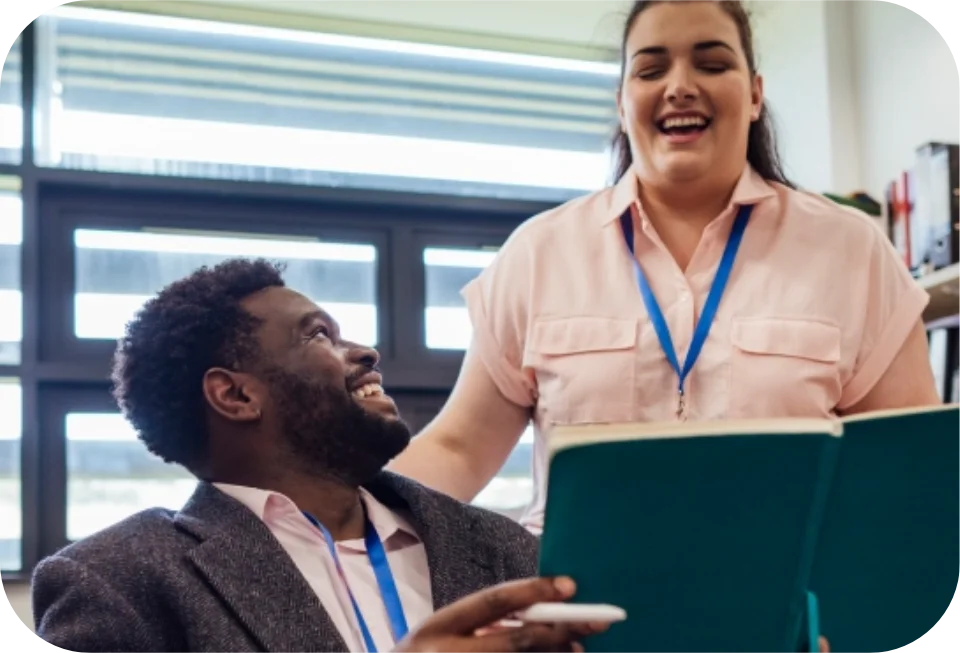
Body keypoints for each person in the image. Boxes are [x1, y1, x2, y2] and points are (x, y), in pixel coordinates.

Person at [389, 0, 941, 533]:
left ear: (754, 95)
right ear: (622, 102)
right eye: (651, 69)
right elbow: (459, 450)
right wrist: (333, 511)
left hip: (783, 606)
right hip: (576, 606)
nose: (679, 86)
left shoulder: (852, 251)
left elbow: (907, 471)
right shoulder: (538, 254)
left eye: (712, 62)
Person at [30, 259, 606, 653]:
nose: (365, 352)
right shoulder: (120, 582)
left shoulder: (505, 551)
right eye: (318, 336)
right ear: (236, 395)